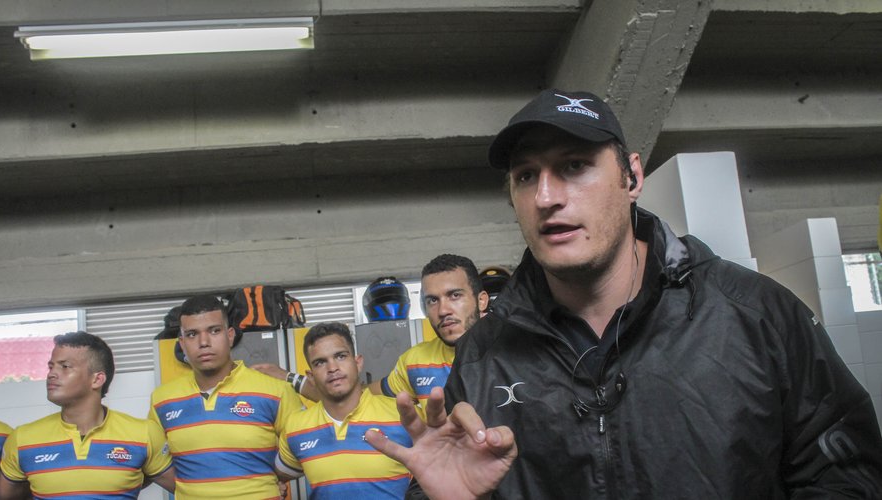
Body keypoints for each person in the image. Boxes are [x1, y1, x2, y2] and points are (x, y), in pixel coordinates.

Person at [366, 89, 882, 498]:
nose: (545, 196)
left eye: (574, 165)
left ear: (632, 176)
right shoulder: (484, 354)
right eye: (526, 176)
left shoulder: (754, 313)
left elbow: (847, 476)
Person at [149, 294, 303, 499]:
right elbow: (154, 461)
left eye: (214, 331)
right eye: (192, 334)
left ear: (230, 336)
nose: (204, 342)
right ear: (182, 343)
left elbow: (306, 444)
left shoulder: (275, 391)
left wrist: (271, 478)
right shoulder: (162, 400)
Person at [0, 331, 175, 499]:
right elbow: (6, 497)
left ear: (97, 379)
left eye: (65, 366)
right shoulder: (22, 439)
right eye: (51, 366)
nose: (52, 374)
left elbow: (186, 489)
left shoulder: (143, 434)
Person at [275, 322, 413, 498]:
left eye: (340, 356)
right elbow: (276, 476)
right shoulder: (296, 427)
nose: (332, 368)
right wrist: (275, 485)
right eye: (320, 362)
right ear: (311, 376)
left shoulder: (402, 415)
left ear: (358, 363)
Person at [366, 254, 489, 401]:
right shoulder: (415, 361)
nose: (443, 311)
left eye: (455, 295)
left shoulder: (510, 352)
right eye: (433, 300)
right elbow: (364, 396)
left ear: (481, 301)